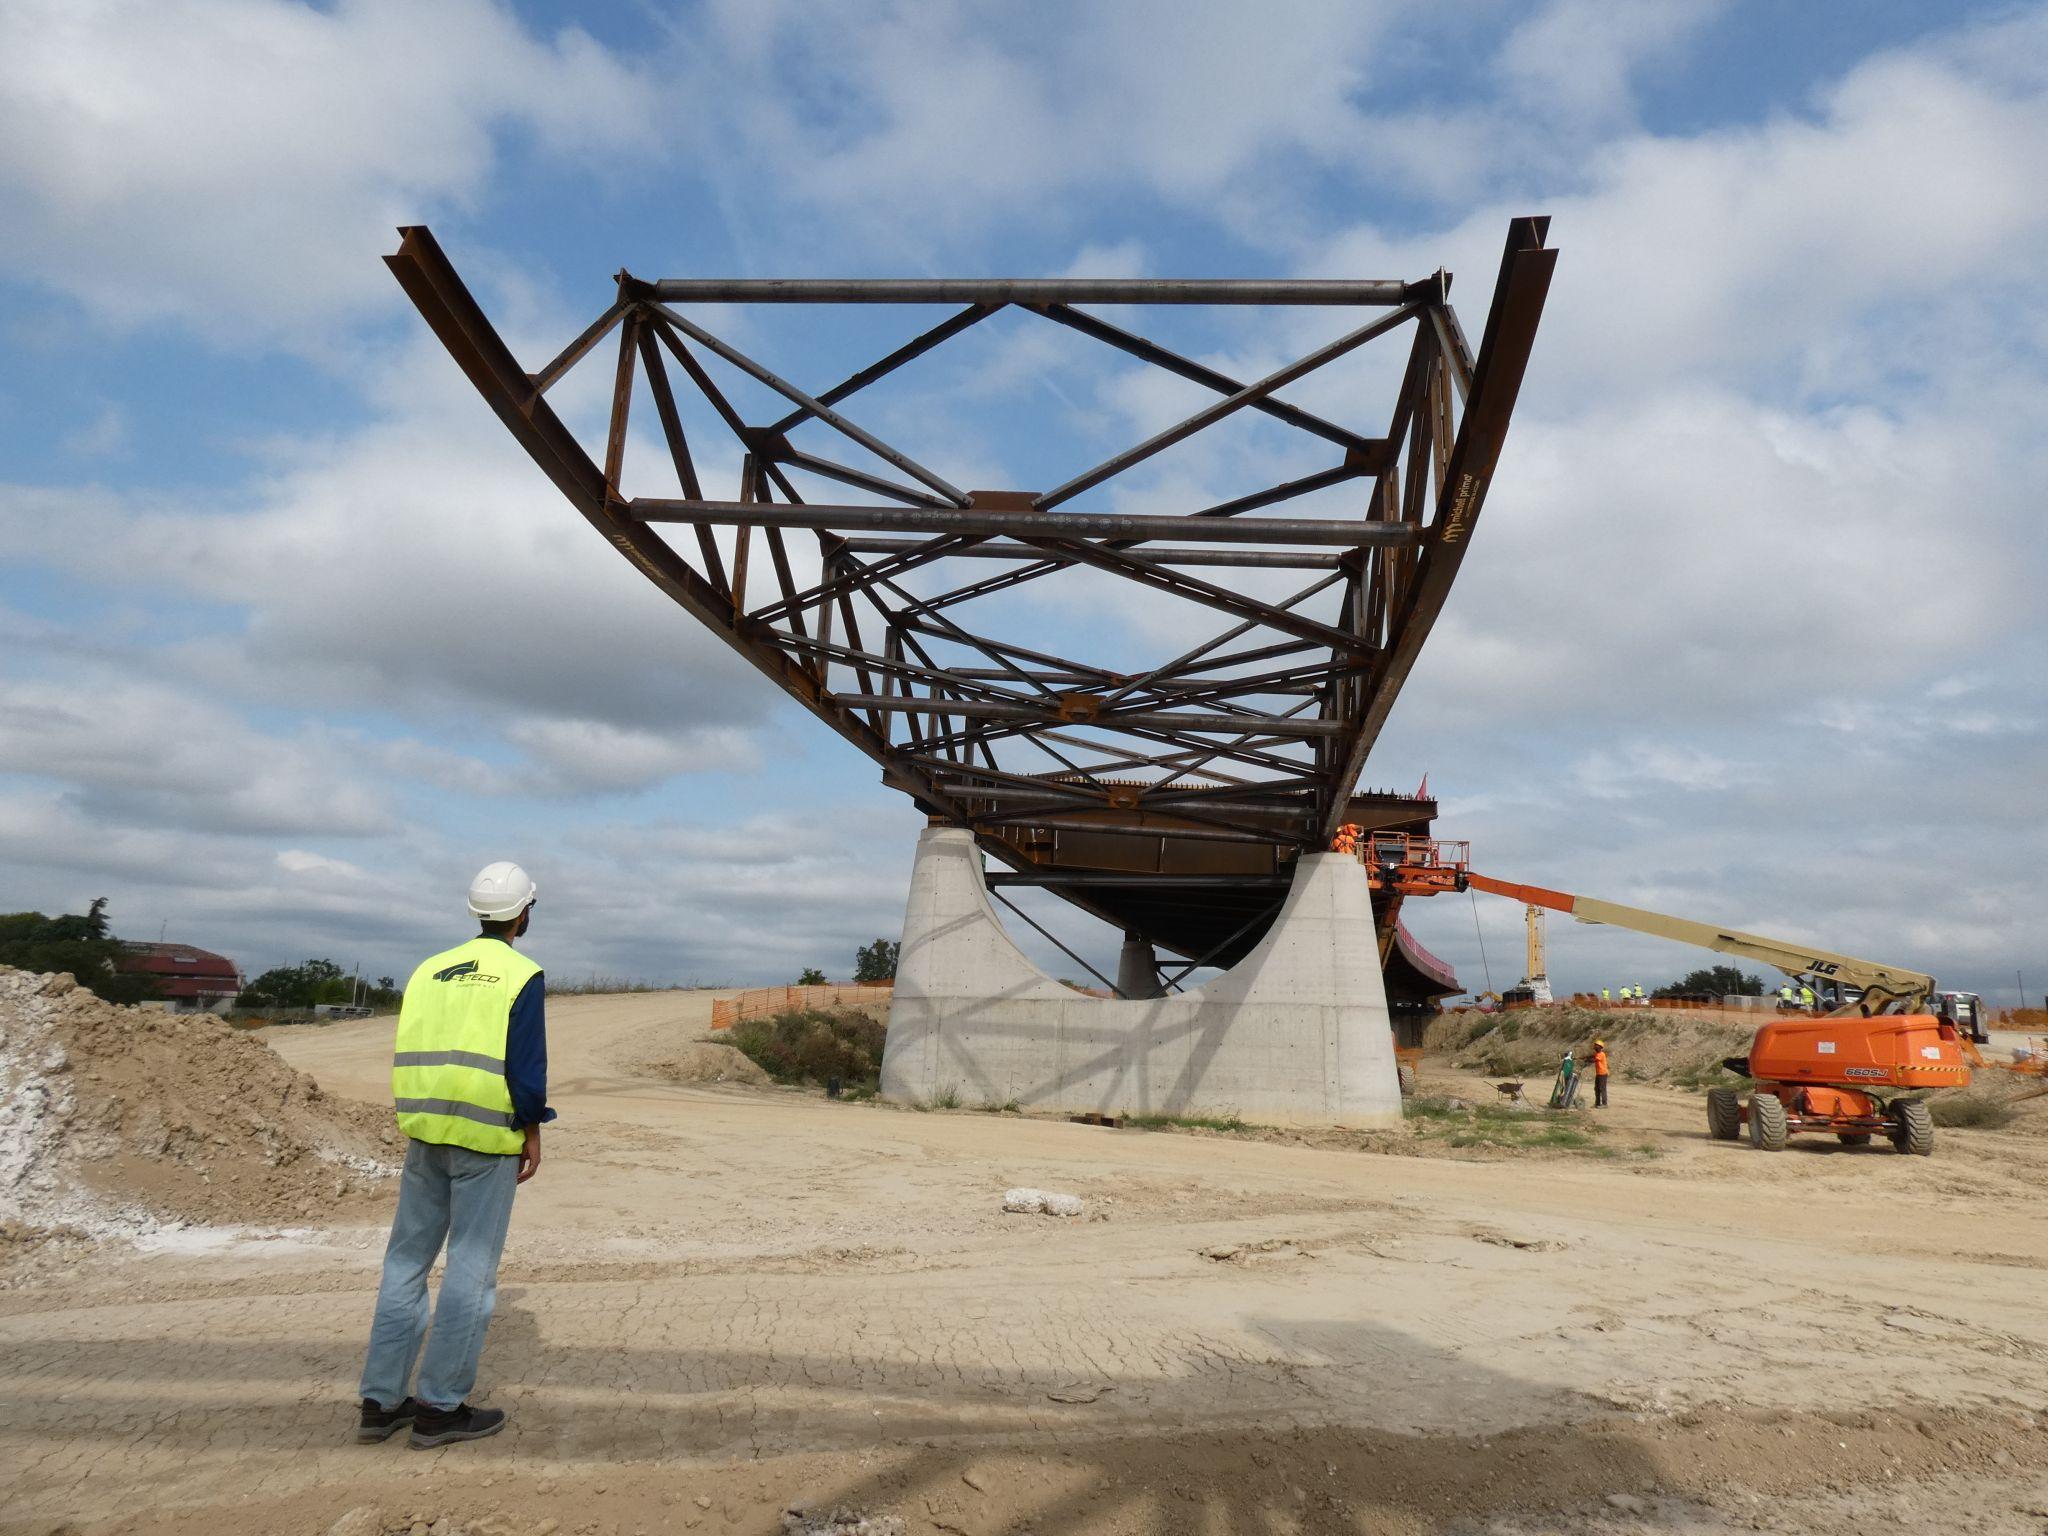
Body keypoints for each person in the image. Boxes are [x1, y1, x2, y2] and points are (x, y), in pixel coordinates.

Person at [355, 861, 553, 1449]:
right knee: (469, 1269)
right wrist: (532, 1127)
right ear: (524, 912)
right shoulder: (522, 973)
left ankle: (381, 1402)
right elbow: (526, 1066)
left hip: (425, 1132)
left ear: (475, 912)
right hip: (487, 1138)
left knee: (406, 1262)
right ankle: (440, 1408)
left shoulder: (430, 970)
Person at [1591, 1038, 1610, 1108]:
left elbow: (1594, 1059)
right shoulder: (1597, 1054)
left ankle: (1604, 1104)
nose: (1595, 1046)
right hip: (1598, 1073)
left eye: (1596, 1045)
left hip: (1603, 1073)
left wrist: (1587, 1060)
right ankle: (1597, 1103)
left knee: (1602, 1088)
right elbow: (1593, 1057)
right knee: (1597, 1088)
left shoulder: (1601, 1054)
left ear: (1600, 1047)